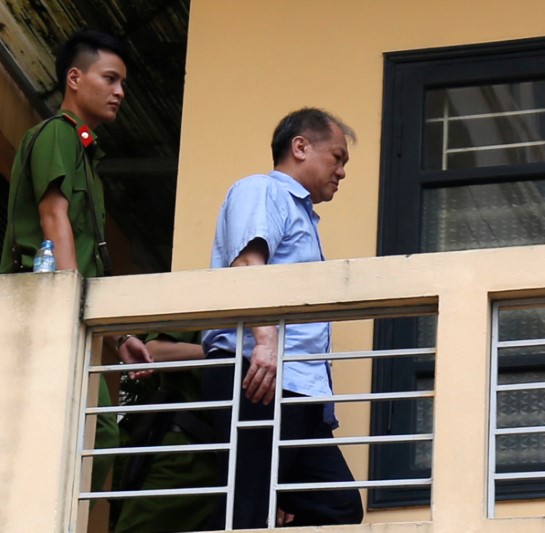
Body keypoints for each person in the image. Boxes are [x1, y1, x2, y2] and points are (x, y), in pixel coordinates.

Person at [0, 29, 152, 494]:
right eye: (109, 78)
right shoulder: (57, 135)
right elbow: (53, 216)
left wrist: (118, 335)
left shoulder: (86, 153)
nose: (119, 92)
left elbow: (91, 257)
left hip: (66, 314)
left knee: (94, 432)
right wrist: (70, 304)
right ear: (74, 78)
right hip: (43, 311)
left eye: (122, 83)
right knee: (83, 431)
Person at [202, 107, 364, 529]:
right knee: (248, 506)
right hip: (261, 376)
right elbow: (248, 266)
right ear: (300, 147)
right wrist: (267, 345)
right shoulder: (262, 190)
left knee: (340, 507)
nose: (342, 172)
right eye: (337, 157)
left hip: (295, 387)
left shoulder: (302, 215)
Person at [113, 331, 217, 533]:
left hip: (247, 459)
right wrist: (222, 352)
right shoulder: (203, 304)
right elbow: (154, 352)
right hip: (186, 451)